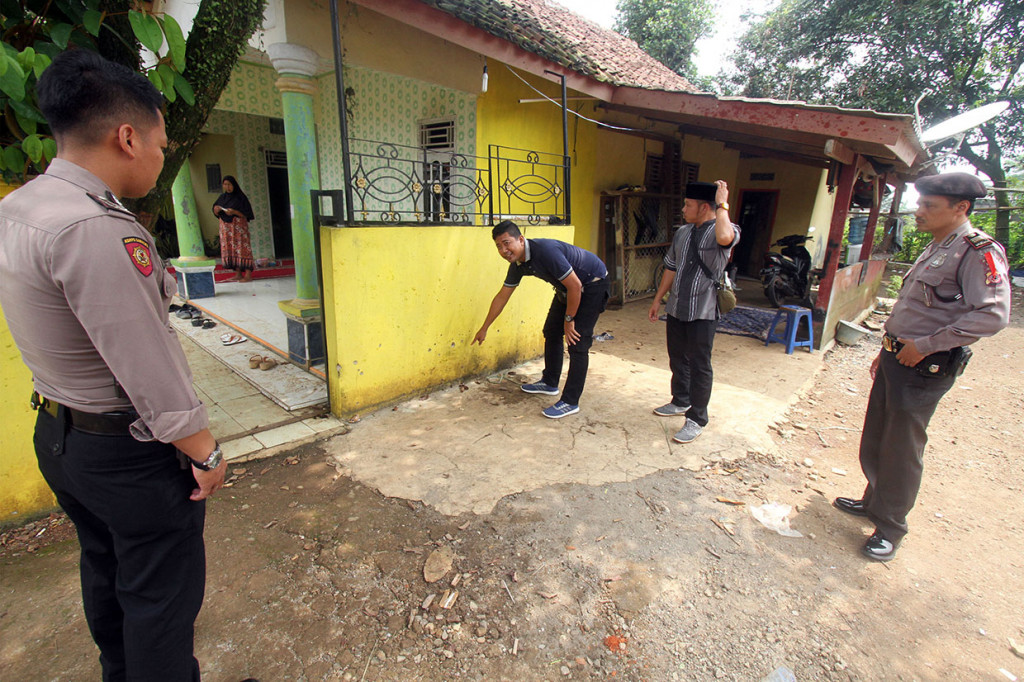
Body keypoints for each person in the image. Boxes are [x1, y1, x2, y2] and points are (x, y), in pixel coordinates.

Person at [0, 50, 228, 680]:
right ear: (126, 137)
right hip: (127, 455)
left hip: (60, 436)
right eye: (160, 141)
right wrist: (204, 452)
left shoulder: (19, 209)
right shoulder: (95, 229)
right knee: (159, 597)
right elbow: (145, 365)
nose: (161, 155)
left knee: (106, 566)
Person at [833, 172, 1010, 562]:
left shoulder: (976, 251)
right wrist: (889, 349)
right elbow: (915, 309)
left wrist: (926, 346)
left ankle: (891, 527)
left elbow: (993, 315)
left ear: (960, 208)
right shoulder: (938, 246)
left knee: (902, 446)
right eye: (921, 202)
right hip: (900, 357)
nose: (919, 210)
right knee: (879, 434)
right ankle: (874, 500)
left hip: (925, 366)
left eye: (930, 205)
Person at [473, 220, 609, 419]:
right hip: (568, 289)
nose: (504, 250)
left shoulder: (545, 252)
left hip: (591, 285)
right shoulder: (517, 263)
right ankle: (550, 382)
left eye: (506, 243)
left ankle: (570, 401)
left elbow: (576, 286)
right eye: (499, 246)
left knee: (577, 342)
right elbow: (502, 295)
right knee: (552, 332)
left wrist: (569, 319)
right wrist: (484, 327)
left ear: (520, 239)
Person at [648, 180, 740, 444]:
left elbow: (725, 239)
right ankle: (680, 400)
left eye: (688, 205)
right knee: (677, 357)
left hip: (704, 310)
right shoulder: (683, 232)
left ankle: (697, 417)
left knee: (700, 364)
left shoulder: (727, 228)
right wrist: (657, 300)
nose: (683, 209)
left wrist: (722, 203)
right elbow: (670, 267)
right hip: (678, 306)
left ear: (703, 208)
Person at [213, 175, 256, 282]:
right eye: (225, 184)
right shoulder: (222, 198)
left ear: (234, 185)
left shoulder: (240, 198)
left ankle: (248, 275)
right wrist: (216, 209)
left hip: (238, 229)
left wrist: (234, 212)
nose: (227, 187)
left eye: (229, 184)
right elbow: (215, 212)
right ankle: (238, 274)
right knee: (231, 250)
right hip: (226, 229)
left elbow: (247, 214)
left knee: (243, 249)